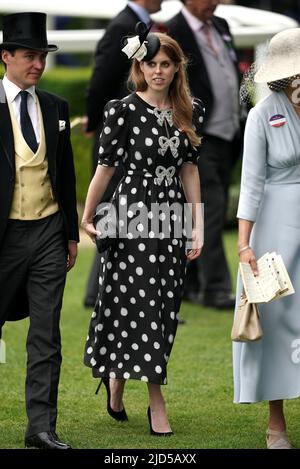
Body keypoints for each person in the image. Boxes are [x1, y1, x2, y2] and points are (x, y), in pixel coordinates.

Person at [81, 26, 204, 435]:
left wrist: (197, 226)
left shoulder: (189, 109)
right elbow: (105, 169)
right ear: (139, 66)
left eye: (166, 64)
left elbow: (190, 171)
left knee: (163, 310)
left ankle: (116, 380)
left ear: (176, 68)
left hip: (171, 219)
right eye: (151, 64)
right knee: (135, 304)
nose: (158, 71)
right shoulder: (121, 110)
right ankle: (156, 401)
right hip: (130, 217)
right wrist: (87, 213)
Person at [0, 12, 79, 449]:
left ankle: (41, 428)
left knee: (46, 332)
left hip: (49, 231)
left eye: (42, 56)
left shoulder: (55, 107)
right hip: (4, 236)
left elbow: (64, 175)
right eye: (29, 56)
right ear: (5, 56)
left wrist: (69, 234)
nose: (37, 64)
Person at [233, 28, 300, 449]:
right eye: (294, 77)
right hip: (275, 227)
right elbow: (251, 184)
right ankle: (276, 424)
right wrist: (244, 246)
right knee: (276, 321)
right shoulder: (262, 115)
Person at [83, 0, 163, 309]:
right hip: (121, 140)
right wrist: (96, 120)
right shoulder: (122, 25)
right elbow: (101, 78)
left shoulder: (131, 23)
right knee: (113, 217)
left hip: (133, 140)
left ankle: (113, 293)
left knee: (125, 220)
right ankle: (101, 293)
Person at [166, 0, 242, 309]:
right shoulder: (173, 29)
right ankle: (216, 288)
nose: (213, 1)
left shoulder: (221, 26)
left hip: (230, 134)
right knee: (210, 210)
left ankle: (191, 284)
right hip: (198, 136)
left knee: (209, 207)